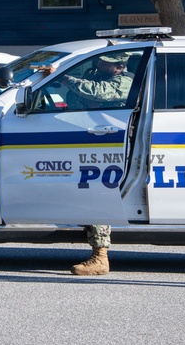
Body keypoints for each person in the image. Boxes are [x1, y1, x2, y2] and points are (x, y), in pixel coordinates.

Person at [43, 51, 133, 276]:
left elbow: (97, 93)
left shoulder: (124, 81)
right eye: (102, 60)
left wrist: (62, 77)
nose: (101, 64)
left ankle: (101, 257)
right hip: (82, 138)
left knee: (97, 193)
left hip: (105, 143)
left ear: (120, 67)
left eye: (108, 63)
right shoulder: (94, 74)